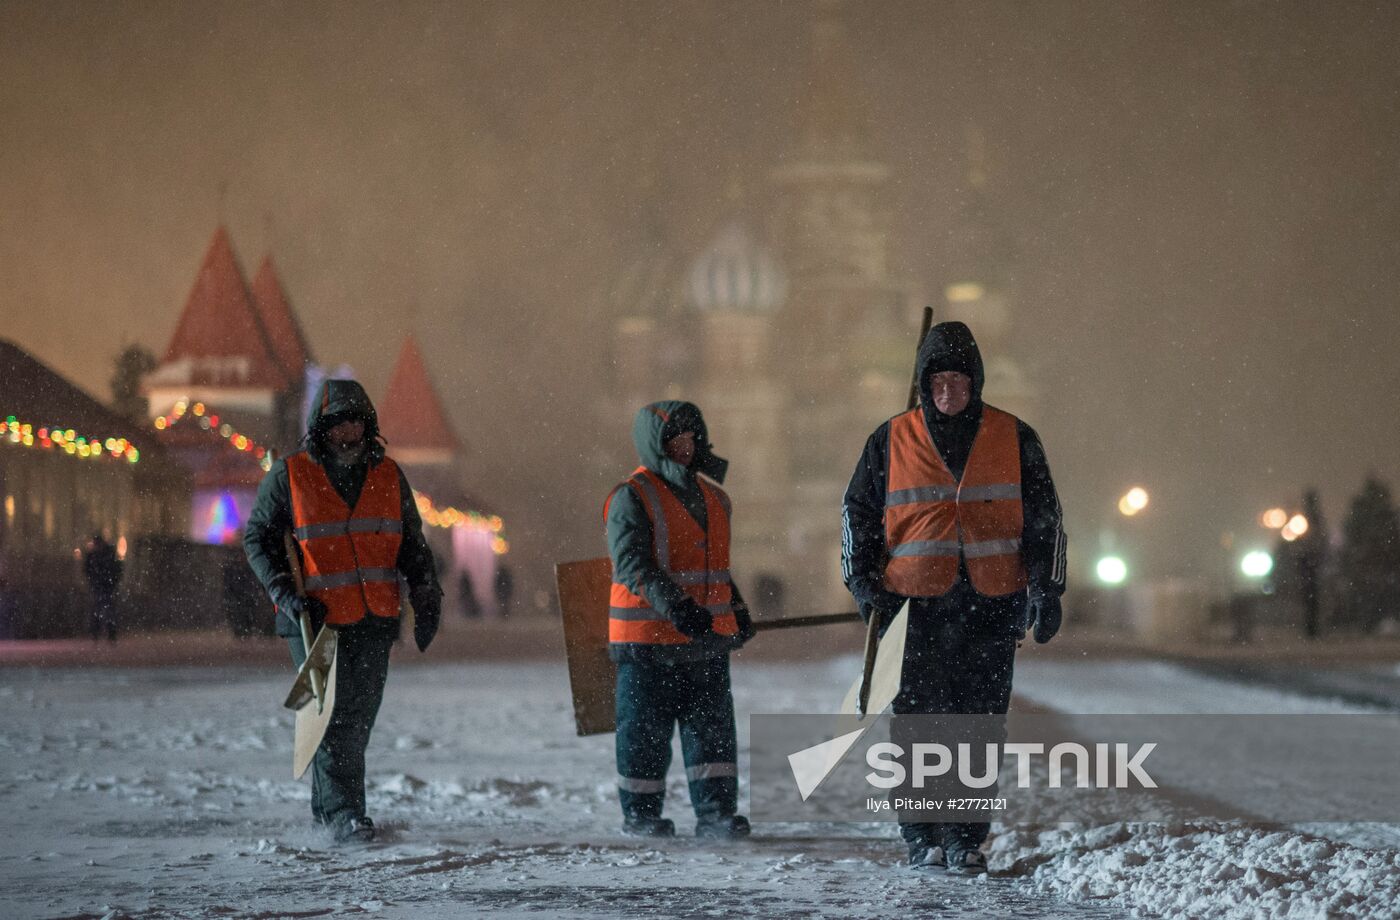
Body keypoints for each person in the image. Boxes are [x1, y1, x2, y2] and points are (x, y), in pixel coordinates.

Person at [841, 321, 1066, 874]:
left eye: (958, 380)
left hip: (991, 604)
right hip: (912, 608)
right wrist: (862, 582)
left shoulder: (1015, 437)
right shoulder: (890, 439)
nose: (948, 392)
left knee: (979, 722)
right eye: (937, 381)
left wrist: (1046, 587)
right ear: (923, 383)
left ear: (977, 381)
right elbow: (858, 516)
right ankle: (922, 836)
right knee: (918, 723)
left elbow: (1045, 520)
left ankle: (965, 837)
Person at [244, 379, 443, 844]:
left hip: (375, 616)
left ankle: (329, 808)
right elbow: (258, 538)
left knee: (360, 712)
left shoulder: (389, 476)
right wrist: (283, 592)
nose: (348, 431)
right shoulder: (290, 475)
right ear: (321, 427)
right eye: (338, 423)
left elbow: (412, 544)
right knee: (331, 714)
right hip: (314, 618)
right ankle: (345, 813)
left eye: (356, 421)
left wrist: (426, 592)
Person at [605, 400, 757, 840]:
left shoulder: (716, 499)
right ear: (655, 444)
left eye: (692, 438)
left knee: (711, 734)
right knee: (643, 735)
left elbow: (716, 567)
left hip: (703, 640)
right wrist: (677, 606)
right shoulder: (631, 496)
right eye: (675, 440)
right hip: (646, 640)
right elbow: (632, 564)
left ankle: (716, 814)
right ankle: (642, 814)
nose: (686, 447)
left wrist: (737, 609)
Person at [83, 534, 122, 641]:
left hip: (104, 586)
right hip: (103, 586)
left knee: (101, 609)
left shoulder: (97, 555)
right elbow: (117, 569)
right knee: (104, 609)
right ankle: (103, 632)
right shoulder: (106, 554)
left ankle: (103, 632)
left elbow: (88, 569)